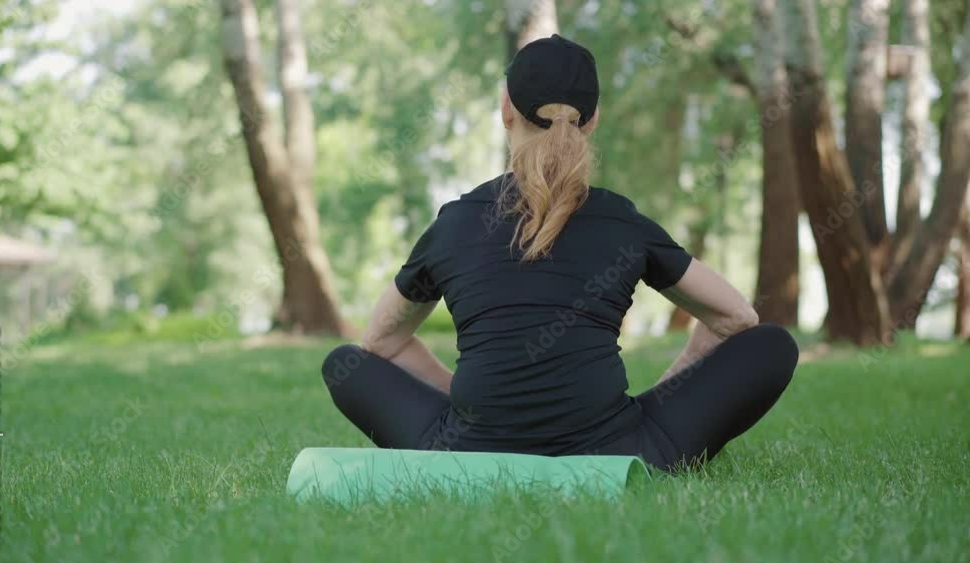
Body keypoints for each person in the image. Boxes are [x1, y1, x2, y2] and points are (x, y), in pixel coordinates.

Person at [321, 34, 798, 471]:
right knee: (772, 346)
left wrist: (468, 407)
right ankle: (645, 448)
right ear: (592, 119)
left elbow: (380, 341)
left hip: (467, 450)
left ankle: (475, 448)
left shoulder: (454, 223)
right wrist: (660, 399)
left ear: (506, 109)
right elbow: (735, 316)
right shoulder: (622, 221)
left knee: (345, 365)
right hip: (621, 450)